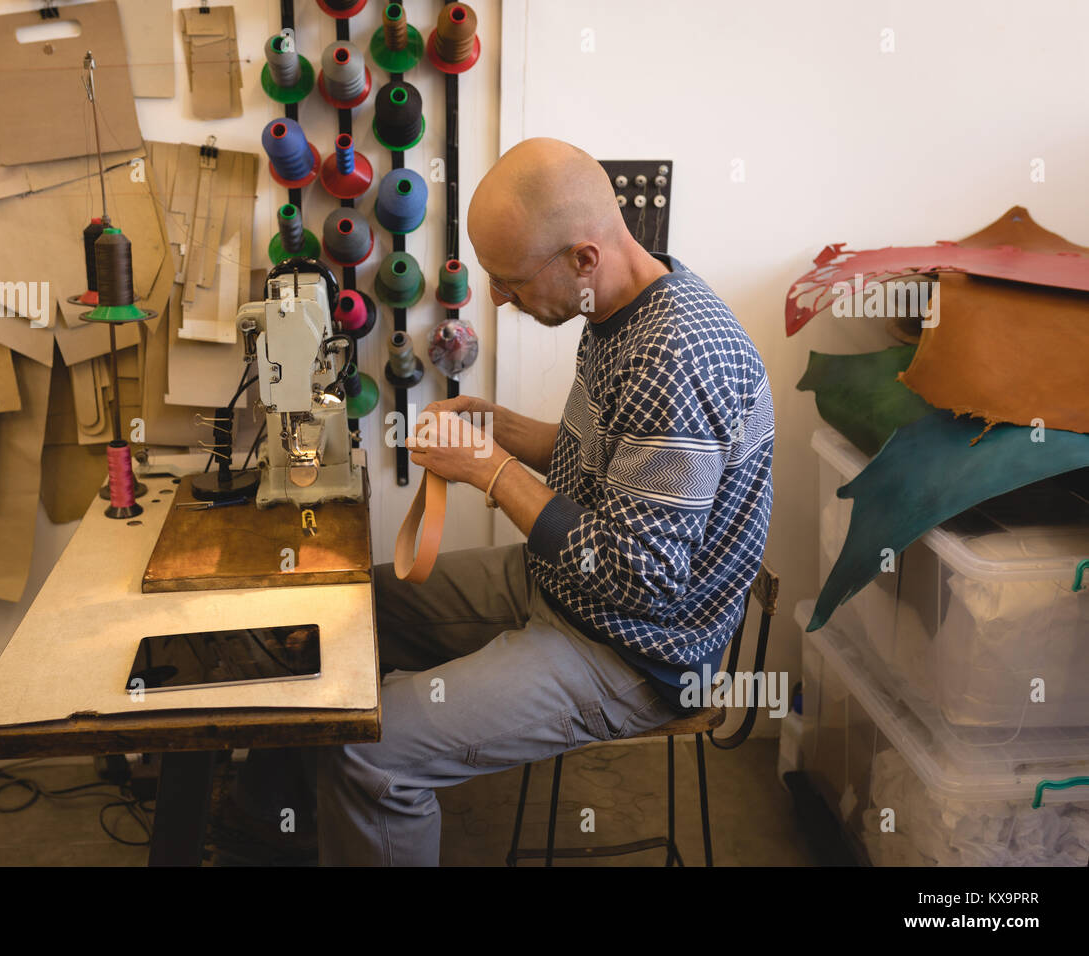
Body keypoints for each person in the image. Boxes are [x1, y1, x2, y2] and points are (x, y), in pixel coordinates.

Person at [234, 137, 774, 866]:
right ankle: (287, 833)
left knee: (373, 754)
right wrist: (504, 432)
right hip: (563, 589)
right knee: (339, 613)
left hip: (635, 655)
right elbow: (604, 460)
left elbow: (642, 573)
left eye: (509, 278)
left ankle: (349, 808)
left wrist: (489, 470)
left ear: (584, 257)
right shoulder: (624, 307)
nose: (493, 296)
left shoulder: (679, 356)